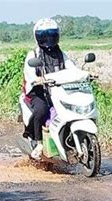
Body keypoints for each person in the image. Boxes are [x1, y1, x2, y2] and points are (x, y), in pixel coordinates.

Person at [23, 18, 79, 160]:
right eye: (44, 36)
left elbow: (72, 67)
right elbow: (29, 74)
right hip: (39, 92)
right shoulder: (33, 55)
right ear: (37, 37)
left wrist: (84, 74)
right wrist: (38, 80)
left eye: (52, 35)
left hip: (58, 90)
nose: (48, 39)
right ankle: (39, 143)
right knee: (41, 110)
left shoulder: (61, 54)